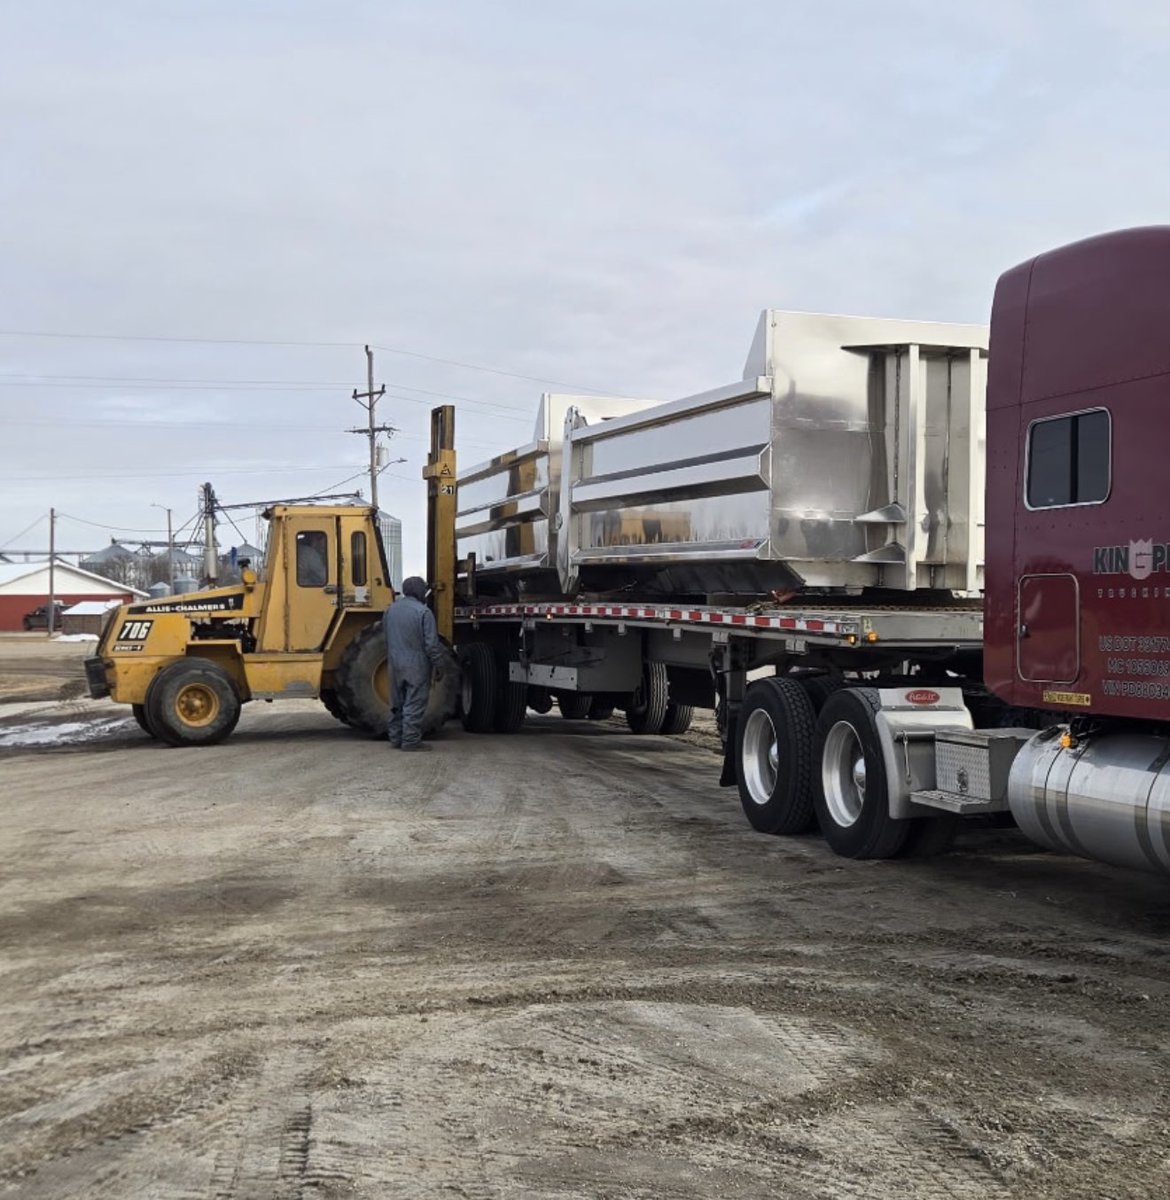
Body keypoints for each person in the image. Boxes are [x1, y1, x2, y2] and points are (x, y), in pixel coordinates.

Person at [383, 576, 446, 751]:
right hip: (417, 665)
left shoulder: (390, 611)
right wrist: (439, 666)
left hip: (394, 663)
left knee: (397, 704)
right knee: (414, 703)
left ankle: (396, 738)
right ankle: (410, 741)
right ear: (420, 591)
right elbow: (431, 645)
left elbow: (386, 637)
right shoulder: (424, 612)